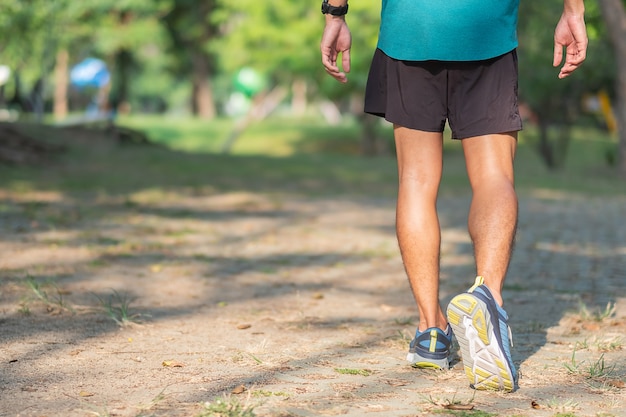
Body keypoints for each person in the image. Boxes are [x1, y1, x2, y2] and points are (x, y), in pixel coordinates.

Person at [320, 0, 588, 392]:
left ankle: (431, 332)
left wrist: (335, 12)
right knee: (494, 175)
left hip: (410, 32)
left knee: (415, 181)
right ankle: (488, 299)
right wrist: (573, 10)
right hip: (485, 32)